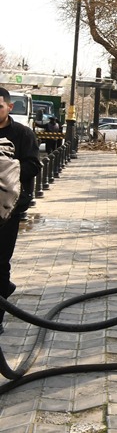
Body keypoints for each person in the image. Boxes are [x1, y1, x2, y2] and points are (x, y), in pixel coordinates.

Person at [0, 87, 41, 334]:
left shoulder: (22, 134)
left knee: (0, 262)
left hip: (8, 212)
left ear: (9, 107)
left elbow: (33, 166)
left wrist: (6, 169)